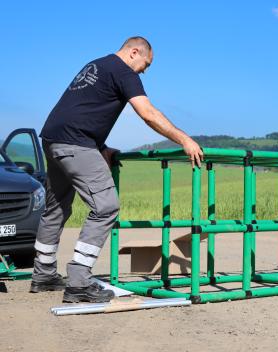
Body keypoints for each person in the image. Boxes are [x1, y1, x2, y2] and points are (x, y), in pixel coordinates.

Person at [29, 37, 204, 303]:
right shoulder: (123, 71)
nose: (144, 71)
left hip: (53, 139)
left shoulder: (96, 65)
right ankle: (78, 281)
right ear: (134, 52)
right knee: (106, 206)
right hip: (76, 143)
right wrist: (184, 139)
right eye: (145, 64)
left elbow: (83, 109)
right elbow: (147, 113)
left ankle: (43, 274)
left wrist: (102, 146)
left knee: (56, 209)